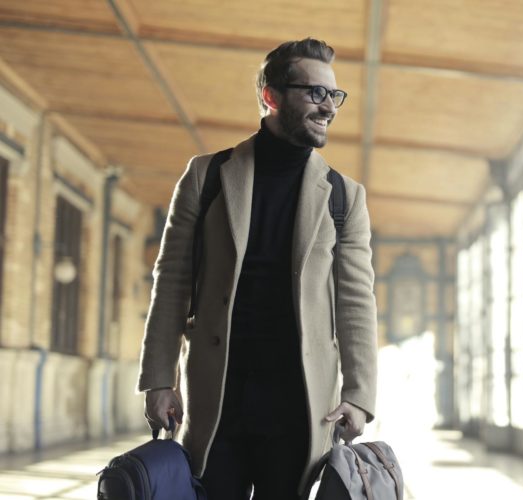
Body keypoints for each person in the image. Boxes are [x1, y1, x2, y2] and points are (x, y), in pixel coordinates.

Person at [136, 38, 378, 499]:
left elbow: (356, 299)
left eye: (334, 95)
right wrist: (160, 378)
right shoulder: (206, 176)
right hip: (217, 398)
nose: (328, 106)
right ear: (271, 96)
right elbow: (170, 282)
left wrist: (360, 393)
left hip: (300, 404)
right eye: (315, 92)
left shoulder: (345, 196)